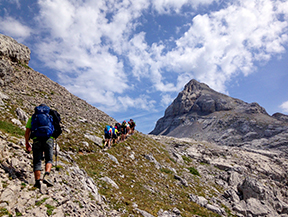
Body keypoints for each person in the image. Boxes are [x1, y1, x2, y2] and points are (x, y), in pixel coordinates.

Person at [25, 104, 55, 189]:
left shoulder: (33, 118)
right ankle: (47, 174)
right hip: (48, 139)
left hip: (36, 140)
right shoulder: (49, 117)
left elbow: (27, 132)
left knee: (37, 161)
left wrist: (27, 142)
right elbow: (54, 129)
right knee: (49, 159)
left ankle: (37, 182)